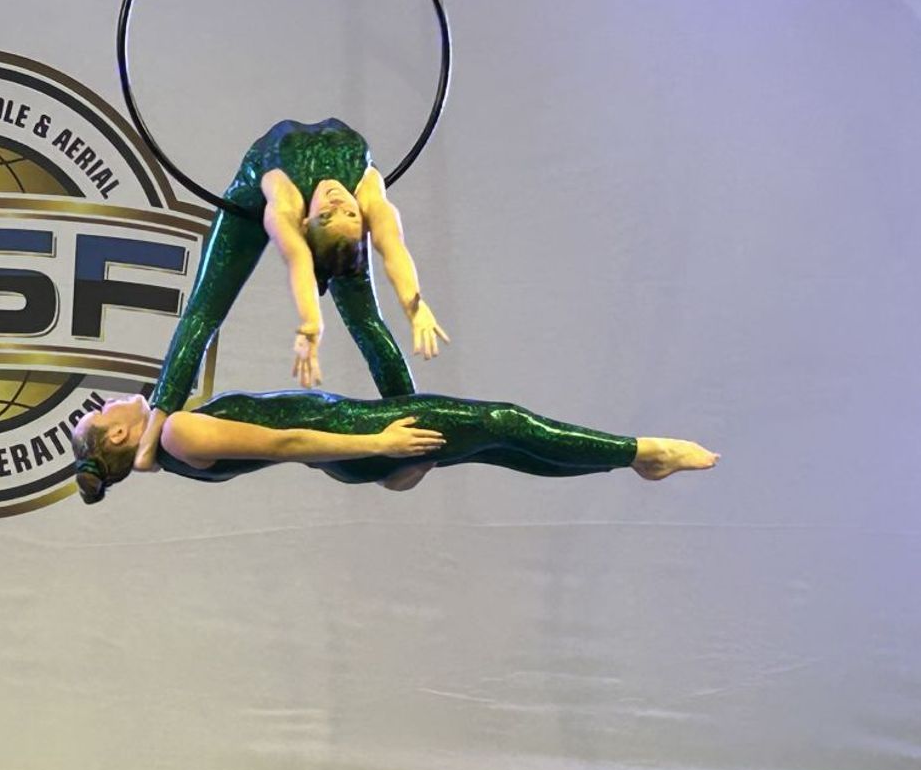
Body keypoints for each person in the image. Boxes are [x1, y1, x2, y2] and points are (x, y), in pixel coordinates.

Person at [136, 118, 449, 469]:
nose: (338, 200)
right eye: (340, 214)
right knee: (204, 310)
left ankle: (414, 429)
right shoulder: (351, 192)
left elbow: (380, 246)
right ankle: (154, 427)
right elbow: (310, 256)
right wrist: (315, 322)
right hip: (249, 194)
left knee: (367, 322)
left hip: (272, 189)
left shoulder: (298, 201)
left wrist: (413, 305)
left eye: (336, 214)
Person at [73, 390, 717, 504]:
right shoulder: (180, 434)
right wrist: (377, 442)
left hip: (357, 446)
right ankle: (641, 452)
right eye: (103, 412)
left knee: (495, 446)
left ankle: (629, 463)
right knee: (505, 420)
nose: (113, 401)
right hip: (362, 432)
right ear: (120, 435)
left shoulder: (175, 434)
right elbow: (287, 442)